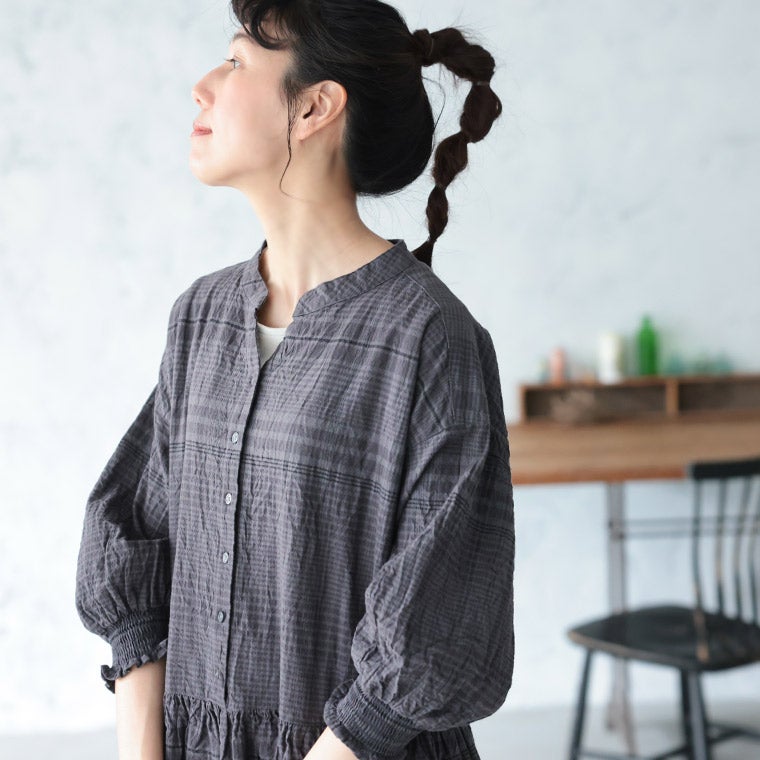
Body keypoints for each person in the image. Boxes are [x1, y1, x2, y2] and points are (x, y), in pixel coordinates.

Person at [75, 1, 515, 758]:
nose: (203, 86)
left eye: (237, 61)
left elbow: (433, 630)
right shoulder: (202, 317)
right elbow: (138, 551)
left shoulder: (430, 337)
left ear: (314, 107)